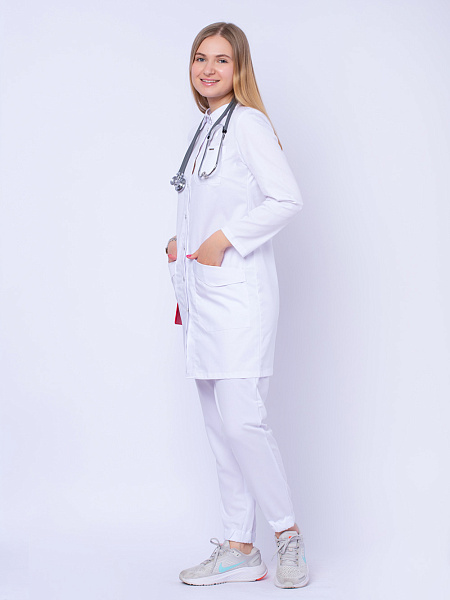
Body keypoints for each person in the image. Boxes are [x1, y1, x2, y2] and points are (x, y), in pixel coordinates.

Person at [165, 22, 309, 589]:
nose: (208, 69)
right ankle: (240, 549)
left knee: (244, 422)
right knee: (220, 430)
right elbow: (209, 201)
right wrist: (181, 240)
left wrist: (224, 239)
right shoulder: (204, 125)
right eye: (200, 58)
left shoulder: (247, 123)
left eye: (221, 60)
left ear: (239, 67)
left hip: (239, 298)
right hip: (202, 296)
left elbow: (286, 198)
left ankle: (288, 534)